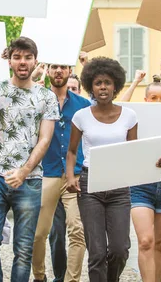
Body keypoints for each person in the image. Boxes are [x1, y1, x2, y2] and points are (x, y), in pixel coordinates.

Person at [0, 37, 59, 282]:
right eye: (17, 56)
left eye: (27, 57)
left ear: (35, 61)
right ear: (9, 60)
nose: (22, 61)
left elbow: (45, 139)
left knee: (24, 248)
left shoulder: (46, 96)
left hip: (30, 180)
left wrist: (24, 171)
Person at [66, 57, 161, 281]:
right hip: (91, 186)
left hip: (119, 186)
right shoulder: (81, 117)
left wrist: (154, 162)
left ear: (115, 86)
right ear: (91, 86)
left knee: (120, 249)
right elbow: (71, 152)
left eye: (108, 82)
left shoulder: (129, 116)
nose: (103, 87)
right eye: (98, 82)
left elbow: (134, 153)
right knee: (97, 252)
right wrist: (71, 177)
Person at [32, 64, 91, 282]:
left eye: (63, 67)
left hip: (74, 177)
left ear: (69, 70)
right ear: (48, 71)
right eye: (54, 67)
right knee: (38, 233)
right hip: (45, 173)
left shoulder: (83, 106)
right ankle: (39, 276)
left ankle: (71, 279)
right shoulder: (37, 100)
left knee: (77, 231)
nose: (58, 71)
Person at [130, 75, 161, 282]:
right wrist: (134, 82)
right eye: (154, 97)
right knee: (145, 241)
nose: (158, 102)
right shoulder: (135, 118)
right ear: (146, 99)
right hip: (141, 184)